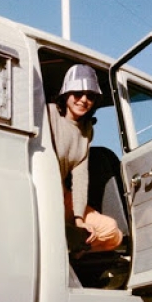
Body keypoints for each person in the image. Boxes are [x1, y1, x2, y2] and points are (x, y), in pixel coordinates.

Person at [48, 64, 123, 257]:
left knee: (112, 232)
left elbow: (80, 177)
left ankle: (71, 253)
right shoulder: (49, 115)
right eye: (78, 93)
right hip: (44, 193)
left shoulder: (87, 130)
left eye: (90, 96)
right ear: (66, 94)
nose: (83, 100)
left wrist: (79, 218)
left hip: (64, 197)